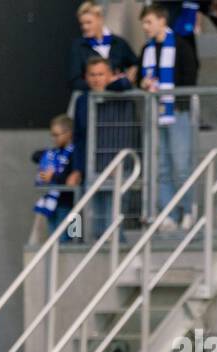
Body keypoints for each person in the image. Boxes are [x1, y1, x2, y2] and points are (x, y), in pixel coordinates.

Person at [140, 4, 198, 233]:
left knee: (181, 165)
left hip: (177, 112)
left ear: (162, 20)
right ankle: (168, 212)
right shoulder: (147, 49)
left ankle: (187, 210)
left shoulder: (181, 46)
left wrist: (169, 94)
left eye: (149, 22)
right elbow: (140, 75)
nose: (145, 27)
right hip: (155, 113)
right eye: (144, 23)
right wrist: (143, 83)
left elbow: (189, 76)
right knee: (162, 166)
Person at [70, 57, 139, 240]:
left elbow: (125, 84)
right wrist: (77, 169)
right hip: (92, 169)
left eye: (101, 74)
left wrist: (121, 163)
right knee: (94, 226)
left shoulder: (120, 94)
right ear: (85, 77)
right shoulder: (82, 101)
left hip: (117, 168)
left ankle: (119, 263)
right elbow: (78, 137)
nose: (96, 79)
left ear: (110, 75)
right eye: (92, 75)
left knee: (114, 223)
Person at [68, 2, 139, 92]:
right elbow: (75, 79)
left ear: (100, 19)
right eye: (82, 24)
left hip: (117, 101)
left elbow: (135, 63)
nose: (85, 27)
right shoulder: (79, 45)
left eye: (88, 22)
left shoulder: (118, 43)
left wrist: (127, 77)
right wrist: (100, 85)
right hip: (91, 100)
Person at [30, 115, 77, 245]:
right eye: (52, 135)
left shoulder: (76, 154)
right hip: (53, 203)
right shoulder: (54, 153)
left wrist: (53, 176)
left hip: (71, 204)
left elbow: (72, 179)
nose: (54, 139)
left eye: (57, 135)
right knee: (54, 241)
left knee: (69, 240)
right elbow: (35, 156)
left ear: (69, 134)